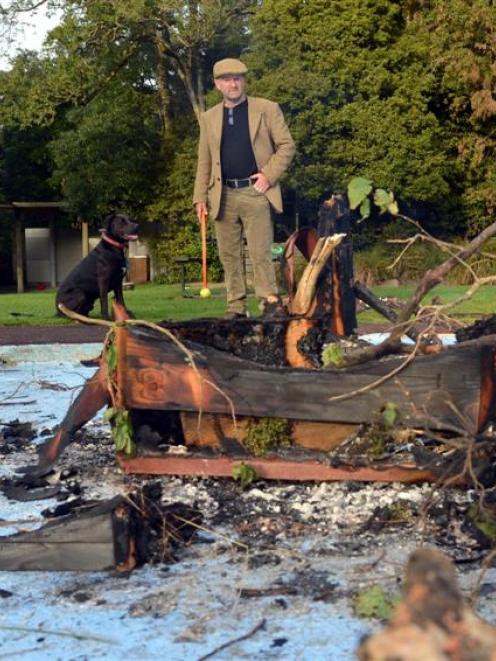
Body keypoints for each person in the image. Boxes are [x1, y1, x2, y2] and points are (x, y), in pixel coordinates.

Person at [193, 57, 295, 319]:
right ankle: (236, 308)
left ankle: (268, 305)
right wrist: (199, 197)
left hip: (255, 192)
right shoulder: (208, 117)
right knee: (229, 256)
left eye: (238, 78)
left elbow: (287, 145)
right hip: (221, 195)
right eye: (227, 79)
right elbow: (204, 160)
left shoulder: (267, 108)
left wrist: (268, 176)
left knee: (260, 253)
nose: (233, 83)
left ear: (244, 81)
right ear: (217, 85)